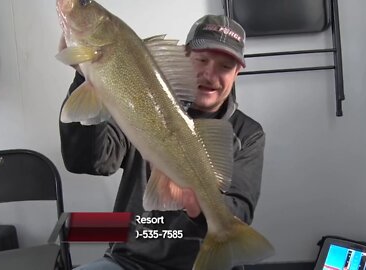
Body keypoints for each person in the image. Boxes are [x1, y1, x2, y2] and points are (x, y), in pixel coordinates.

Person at [59, 14, 266, 270]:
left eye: (225, 66)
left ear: (237, 72)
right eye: (202, 59)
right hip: (129, 261)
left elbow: (240, 211)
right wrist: (85, 74)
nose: (210, 74)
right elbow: (90, 161)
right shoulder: (141, 102)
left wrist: (197, 202)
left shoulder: (248, 133)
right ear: (185, 55)